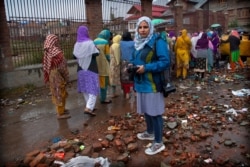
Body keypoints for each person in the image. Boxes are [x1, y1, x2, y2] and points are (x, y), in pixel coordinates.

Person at [131, 16, 170, 155]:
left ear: (150, 28)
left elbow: (165, 62)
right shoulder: (137, 42)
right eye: (140, 27)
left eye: (145, 27)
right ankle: (150, 132)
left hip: (153, 84)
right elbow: (134, 58)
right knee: (147, 110)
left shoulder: (157, 41)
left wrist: (146, 67)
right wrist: (131, 66)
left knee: (155, 113)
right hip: (141, 82)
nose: (142, 30)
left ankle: (158, 142)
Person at [73, 26, 100, 116]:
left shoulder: (76, 44)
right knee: (93, 88)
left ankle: (89, 105)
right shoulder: (90, 43)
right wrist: (96, 48)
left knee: (85, 88)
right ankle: (88, 108)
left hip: (80, 69)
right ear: (86, 32)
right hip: (91, 68)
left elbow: (74, 56)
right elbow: (97, 53)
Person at [42, 34, 70, 119]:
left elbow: (45, 66)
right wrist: (66, 77)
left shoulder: (47, 52)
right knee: (61, 93)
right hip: (58, 76)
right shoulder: (57, 52)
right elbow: (62, 66)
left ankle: (62, 110)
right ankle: (60, 114)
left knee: (57, 93)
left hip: (51, 76)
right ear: (54, 41)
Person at [94, 29, 112, 104]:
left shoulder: (94, 41)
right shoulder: (105, 42)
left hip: (95, 65)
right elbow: (108, 56)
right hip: (103, 65)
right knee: (104, 83)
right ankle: (103, 99)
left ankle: (96, 99)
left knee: (97, 82)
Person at [120, 31, 135, 99]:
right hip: (132, 61)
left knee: (125, 78)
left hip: (123, 62)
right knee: (133, 76)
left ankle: (127, 93)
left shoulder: (121, 43)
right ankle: (135, 93)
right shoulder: (133, 43)